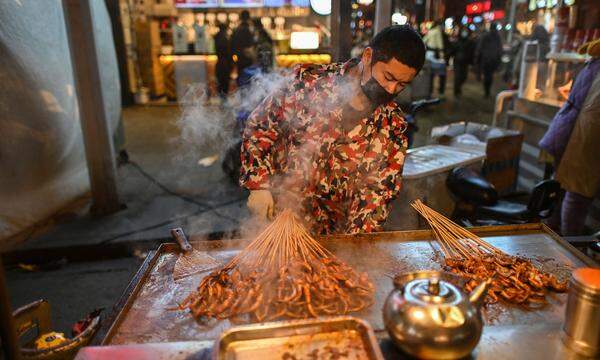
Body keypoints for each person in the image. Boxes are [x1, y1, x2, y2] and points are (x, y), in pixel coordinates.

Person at [240, 25, 426, 235]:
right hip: (279, 223)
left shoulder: (392, 126)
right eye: (388, 77)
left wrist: (355, 247)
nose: (391, 90)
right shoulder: (307, 83)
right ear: (367, 56)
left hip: (334, 238)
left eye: (402, 84)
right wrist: (259, 185)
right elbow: (261, 126)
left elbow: (377, 194)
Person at [539, 39, 600, 236]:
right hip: (585, 136)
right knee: (576, 194)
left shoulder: (593, 64)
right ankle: (570, 246)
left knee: (563, 187)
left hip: (571, 130)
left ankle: (551, 235)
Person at [476, 22, 503, 98]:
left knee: (487, 75)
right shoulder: (497, 37)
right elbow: (500, 49)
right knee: (490, 75)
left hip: (486, 59)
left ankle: (486, 91)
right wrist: (499, 59)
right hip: (493, 60)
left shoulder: (486, 36)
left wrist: (478, 57)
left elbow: (480, 48)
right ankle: (487, 90)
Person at [423, 20, 446, 97]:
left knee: (430, 74)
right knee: (441, 73)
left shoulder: (430, 31)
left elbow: (424, 41)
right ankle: (441, 91)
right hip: (435, 54)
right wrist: (442, 54)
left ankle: (429, 91)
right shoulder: (437, 31)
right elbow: (440, 44)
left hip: (428, 54)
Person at [230, 10, 255, 81]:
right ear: (249, 18)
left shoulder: (236, 30)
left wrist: (234, 59)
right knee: (248, 81)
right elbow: (252, 45)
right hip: (248, 59)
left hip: (239, 59)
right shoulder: (249, 30)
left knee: (241, 80)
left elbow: (232, 46)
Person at [450, 26, 475, 97]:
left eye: (466, 31)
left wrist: (472, 62)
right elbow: (452, 51)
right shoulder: (457, 41)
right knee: (457, 77)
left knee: (464, 77)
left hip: (465, 62)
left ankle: (458, 88)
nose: (464, 33)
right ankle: (456, 91)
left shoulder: (470, 42)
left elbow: (471, 52)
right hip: (457, 62)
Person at [214, 23, 232, 99]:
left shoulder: (216, 37)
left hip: (219, 63)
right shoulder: (224, 38)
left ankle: (222, 99)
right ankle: (224, 99)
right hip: (225, 64)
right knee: (224, 83)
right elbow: (228, 52)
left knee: (220, 82)